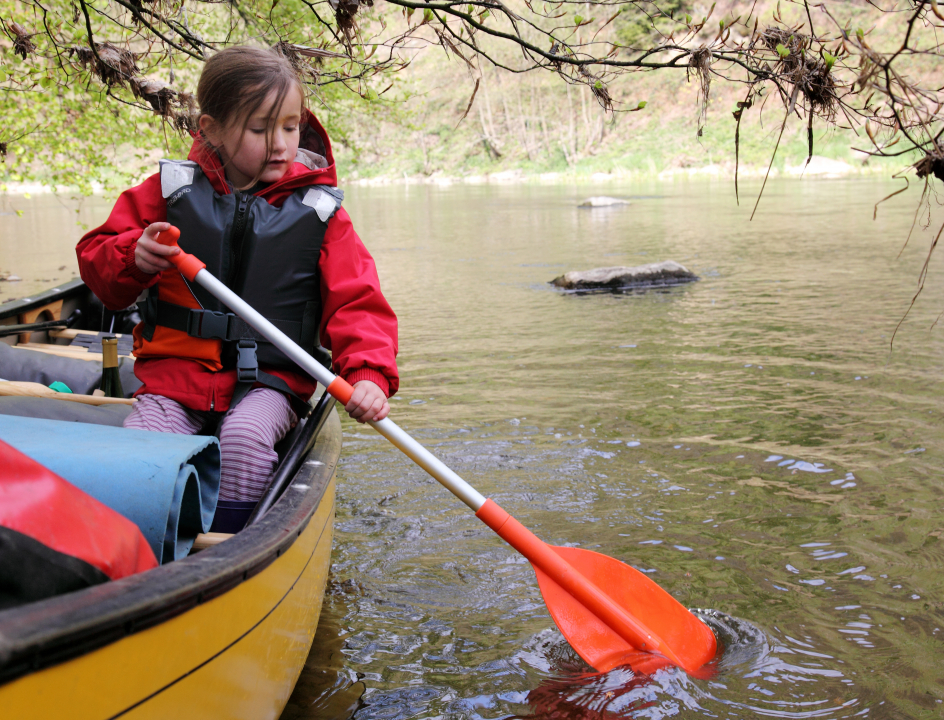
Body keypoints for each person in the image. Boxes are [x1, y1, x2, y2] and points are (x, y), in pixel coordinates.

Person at [77, 46, 398, 530]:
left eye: (290, 127)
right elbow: (99, 262)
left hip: (272, 383)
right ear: (211, 129)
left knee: (245, 439)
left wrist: (369, 374)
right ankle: (151, 544)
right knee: (144, 448)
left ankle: (228, 544)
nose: (280, 144)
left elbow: (358, 303)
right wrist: (133, 255)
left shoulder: (320, 213)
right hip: (177, 375)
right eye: (259, 130)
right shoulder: (167, 193)